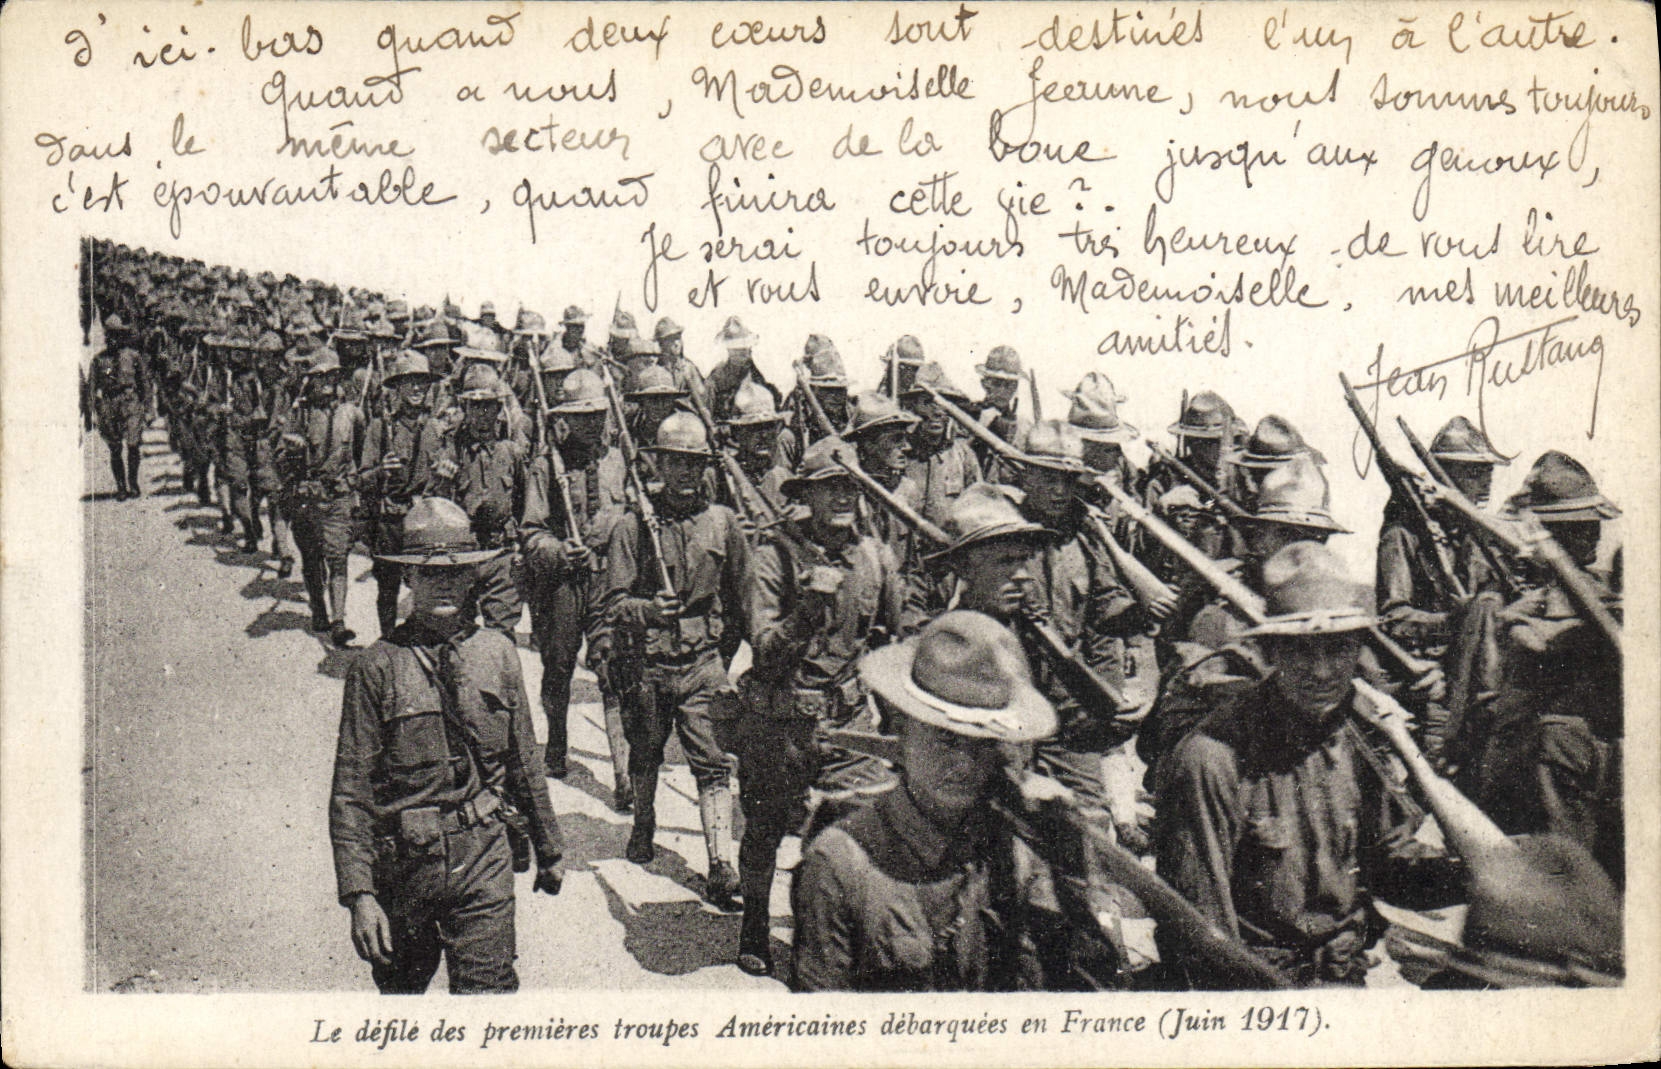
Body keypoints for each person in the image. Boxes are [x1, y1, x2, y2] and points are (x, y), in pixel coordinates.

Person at [1155, 542, 1461, 986]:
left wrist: (1477, 873)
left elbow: (1389, 868)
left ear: (1358, 649)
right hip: (1257, 987)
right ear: (1272, 654)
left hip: (1342, 974)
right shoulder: (1212, 757)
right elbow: (1200, 930)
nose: (1321, 671)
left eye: (1337, 649)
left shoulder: (1358, 732)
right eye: (1301, 651)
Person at [329, 497, 564, 994]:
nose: (444, 584)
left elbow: (524, 759)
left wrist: (549, 848)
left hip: (484, 853)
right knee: (403, 1002)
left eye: (456, 573)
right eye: (429, 573)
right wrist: (360, 896)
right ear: (410, 579)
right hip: (404, 866)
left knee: (489, 997)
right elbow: (351, 791)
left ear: (473, 578)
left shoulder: (497, 654)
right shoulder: (377, 666)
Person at [791, 611, 1073, 992]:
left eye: (983, 744)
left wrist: (1072, 871)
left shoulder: (1014, 855)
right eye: (946, 739)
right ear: (901, 732)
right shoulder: (840, 863)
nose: (964, 764)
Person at [735, 436, 921, 976]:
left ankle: (830, 933)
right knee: (766, 826)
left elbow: (892, 640)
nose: (842, 497)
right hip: (781, 718)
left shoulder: (875, 558)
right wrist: (807, 609)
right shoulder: (773, 556)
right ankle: (753, 922)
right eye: (829, 488)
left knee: (858, 827)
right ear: (807, 496)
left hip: (849, 721)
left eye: (850, 487)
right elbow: (765, 653)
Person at [599, 412, 751, 905]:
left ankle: (720, 862)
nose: (686, 472)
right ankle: (644, 823)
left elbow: (743, 598)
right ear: (658, 464)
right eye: (676, 462)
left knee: (711, 763)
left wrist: (729, 655)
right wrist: (647, 608)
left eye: (695, 463)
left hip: (702, 661)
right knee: (646, 751)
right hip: (648, 663)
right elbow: (612, 604)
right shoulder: (632, 526)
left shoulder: (723, 522)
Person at [1463, 451, 1623, 882]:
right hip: (1542, 762)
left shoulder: (1598, 592)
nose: (1594, 534)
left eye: (1593, 524)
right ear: (1554, 533)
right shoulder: (1512, 605)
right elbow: (1493, 693)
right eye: (1581, 526)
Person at [518, 369, 630, 796]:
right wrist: (558, 550)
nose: (592, 423)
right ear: (565, 418)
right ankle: (558, 743)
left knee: (611, 669)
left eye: (598, 414)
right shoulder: (548, 466)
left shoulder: (618, 462)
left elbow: (632, 515)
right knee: (559, 667)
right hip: (563, 585)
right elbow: (531, 531)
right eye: (581, 416)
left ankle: (622, 775)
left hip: (607, 581)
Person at [423, 364, 527, 635]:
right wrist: (441, 483)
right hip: (462, 554)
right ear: (464, 409)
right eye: (475, 407)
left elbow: (523, 504)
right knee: (458, 632)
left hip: (499, 552)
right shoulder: (450, 450)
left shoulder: (511, 453)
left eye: (489, 407)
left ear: (498, 410)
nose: (483, 415)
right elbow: (432, 509)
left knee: (502, 633)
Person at [277, 346, 364, 646]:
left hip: (338, 495)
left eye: (331, 375)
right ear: (310, 380)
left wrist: (355, 482)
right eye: (319, 376)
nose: (326, 381)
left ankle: (339, 621)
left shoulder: (351, 414)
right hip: (306, 497)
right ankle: (318, 607)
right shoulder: (298, 413)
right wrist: (292, 452)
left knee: (338, 558)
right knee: (313, 559)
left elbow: (361, 453)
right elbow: (280, 455)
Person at [358, 350, 445, 638]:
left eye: (422, 382)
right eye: (410, 383)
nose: (417, 389)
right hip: (391, 519)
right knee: (388, 585)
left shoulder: (437, 428)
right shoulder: (380, 428)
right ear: (397, 387)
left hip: (424, 520)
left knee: (425, 585)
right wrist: (381, 471)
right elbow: (363, 478)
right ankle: (387, 637)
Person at [899, 362, 983, 527]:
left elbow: (978, 506)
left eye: (942, 405)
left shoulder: (963, 455)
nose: (937, 412)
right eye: (927, 403)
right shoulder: (902, 452)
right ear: (913, 406)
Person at [89, 313, 154, 500]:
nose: (113, 339)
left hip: (131, 402)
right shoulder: (99, 360)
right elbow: (92, 389)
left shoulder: (133, 357)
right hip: (110, 405)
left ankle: (133, 483)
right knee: (115, 447)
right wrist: (93, 413)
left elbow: (145, 384)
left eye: (117, 335)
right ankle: (121, 487)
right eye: (110, 335)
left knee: (133, 444)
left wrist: (149, 409)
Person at [971, 345, 1030, 480]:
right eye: (997, 383)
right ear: (984, 383)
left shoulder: (1024, 427)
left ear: (1016, 387)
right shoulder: (970, 416)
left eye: (1009, 385)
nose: (1003, 390)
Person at [706, 316, 780, 424]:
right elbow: (708, 411)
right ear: (730, 351)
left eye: (748, 351)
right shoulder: (716, 377)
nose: (746, 355)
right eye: (741, 352)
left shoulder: (751, 370)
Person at [653, 316, 706, 410]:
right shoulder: (655, 371)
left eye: (678, 338)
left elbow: (702, 396)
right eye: (671, 339)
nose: (676, 343)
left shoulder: (689, 367)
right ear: (661, 344)